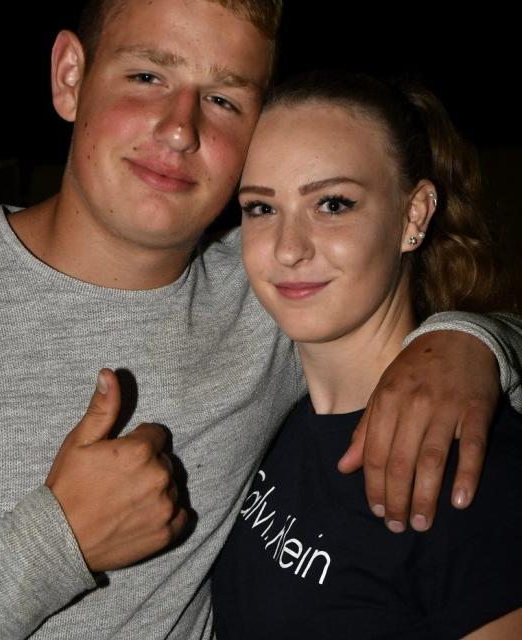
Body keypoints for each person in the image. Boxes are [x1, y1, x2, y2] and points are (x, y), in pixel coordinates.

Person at [0, 2, 521, 638]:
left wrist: (470, 341)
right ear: (70, 76)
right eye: (147, 76)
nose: (179, 129)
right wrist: (57, 542)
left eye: (222, 99)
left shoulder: (275, 292)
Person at [211, 70, 522, 639]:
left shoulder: (473, 473)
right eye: (260, 208)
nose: (288, 248)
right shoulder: (267, 414)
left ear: (413, 215)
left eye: (332, 204)